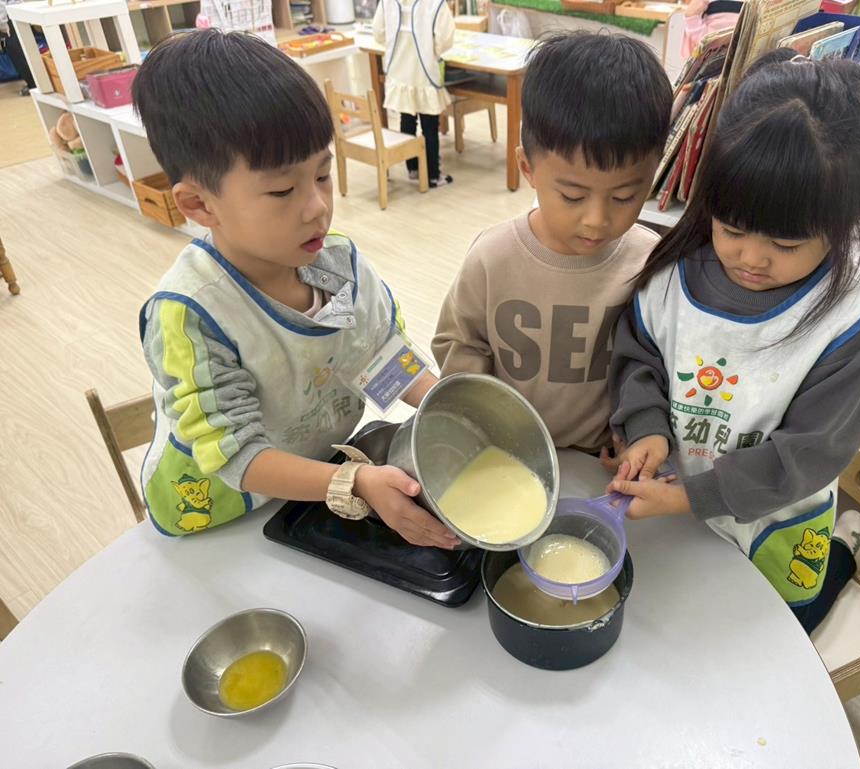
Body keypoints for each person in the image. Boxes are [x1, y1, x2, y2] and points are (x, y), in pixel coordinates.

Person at [132, 30, 458, 550]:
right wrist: (352, 483)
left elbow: (375, 356)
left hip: (316, 479)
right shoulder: (193, 314)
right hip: (221, 512)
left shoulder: (336, 266)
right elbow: (237, 456)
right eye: (283, 189)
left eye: (323, 175)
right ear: (200, 205)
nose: (317, 207)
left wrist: (448, 409)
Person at [607, 55, 860, 632]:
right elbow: (639, 356)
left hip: (773, 519)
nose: (751, 259)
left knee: (780, 627)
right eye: (732, 229)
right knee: (679, 619)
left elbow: (808, 452)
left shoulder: (851, 323)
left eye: (786, 245)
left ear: (849, 219)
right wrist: (645, 429)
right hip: (674, 505)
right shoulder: (672, 276)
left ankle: (847, 547)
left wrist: (692, 498)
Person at [431, 32, 672, 456]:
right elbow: (458, 342)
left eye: (624, 197)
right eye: (573, 196)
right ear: (527, 167)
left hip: (596, 458)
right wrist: (480, 420)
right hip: (506, 452)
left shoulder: (648, 261)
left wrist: (636, 430)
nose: (597, 219)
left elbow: (652, 362)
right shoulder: (492, 258)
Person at [372, 0, 455, 187]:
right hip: (424, 71)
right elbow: (445, 38)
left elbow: (378, 32)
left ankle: (413, 169)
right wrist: (432, 50)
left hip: (398, 69)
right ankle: (433, 175)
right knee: (430, 125)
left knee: (407, 119)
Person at [0, 1, 36, 96]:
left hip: (9, 15)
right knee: (22, 49)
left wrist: (2, 23)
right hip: (15, 11)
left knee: (17, 51)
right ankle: (35, 83)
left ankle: (34, 84)